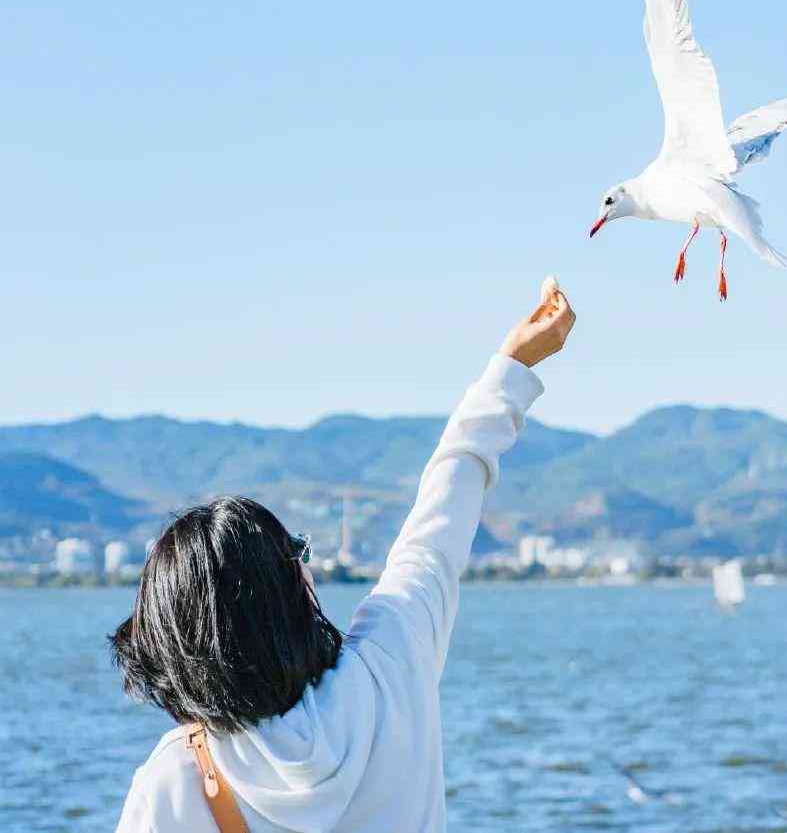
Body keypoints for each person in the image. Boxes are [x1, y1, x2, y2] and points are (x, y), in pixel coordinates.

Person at [112, 277, 576, 832]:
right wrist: (513, 365)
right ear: (289, 596)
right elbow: (441, 516)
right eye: (296, 553)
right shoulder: (389, 667)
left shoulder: (178, 779)